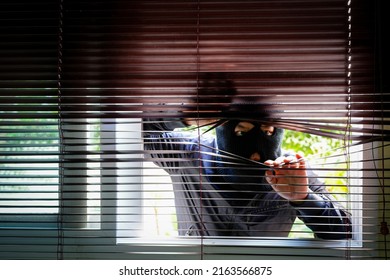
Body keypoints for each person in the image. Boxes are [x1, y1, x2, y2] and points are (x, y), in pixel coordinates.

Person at [142, 75, 352, 239]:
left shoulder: (291, 172)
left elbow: (345, 233)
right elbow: (131, 129)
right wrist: (185, 115)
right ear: (221, 127)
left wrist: (303, 198)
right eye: (241, 132)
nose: (255, 154)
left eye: (268, 132)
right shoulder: (188, 155)